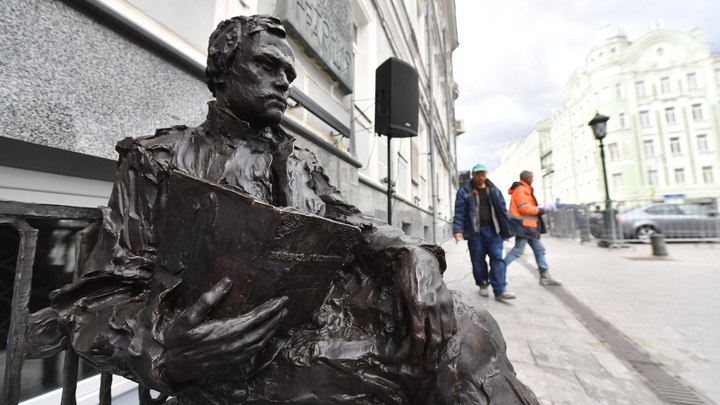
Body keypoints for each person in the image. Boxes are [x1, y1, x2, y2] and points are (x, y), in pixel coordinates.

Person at [50, 15, 538, 404]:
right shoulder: (158, 159)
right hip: (236, 363)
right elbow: (94, 304)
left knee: (464, 325)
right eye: (268, 66)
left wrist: (414, 253)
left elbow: (359, 223)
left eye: (289, 73)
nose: (284, 81)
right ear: (221, 69)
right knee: (456, 349)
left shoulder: (300, 159)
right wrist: (166, 352)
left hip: (318, 323)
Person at [453, 164, 515, 300]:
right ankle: (483, 284)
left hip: (494, 232)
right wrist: (458, 230)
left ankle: (500, 290)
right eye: (477, 174)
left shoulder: (494, 190)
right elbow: (459, 213)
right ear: (472, 175)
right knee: (478, 260)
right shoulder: (465, 191)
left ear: (486, 174)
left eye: (483, 174)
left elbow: (502, 211)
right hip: (476, 232)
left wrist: (506, 231)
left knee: (497, 259)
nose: (480, 177)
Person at [504, 170, 562, 286]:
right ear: (527, 178)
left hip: (529, 227)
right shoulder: (521, 190)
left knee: (539, 250)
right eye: (532, 177)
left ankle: (545, 276)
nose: (533, 180)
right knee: (518, 251)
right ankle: (498, 271)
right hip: (525, 227)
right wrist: (541, 210)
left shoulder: (524, 189)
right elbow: (524, 208)